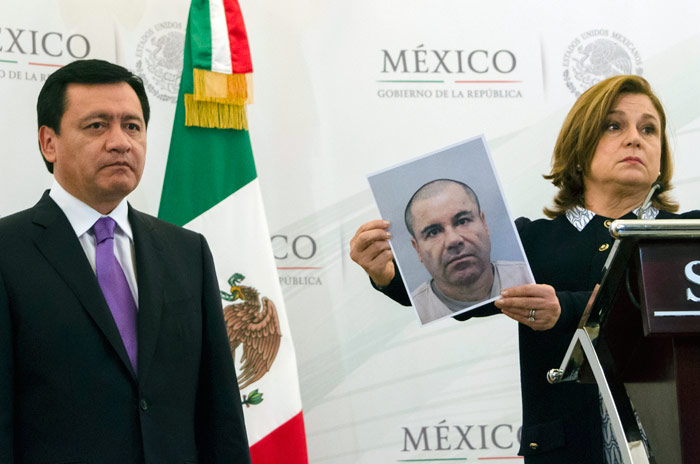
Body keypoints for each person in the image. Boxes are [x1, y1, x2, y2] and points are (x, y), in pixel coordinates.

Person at [349, 74, 700, 463]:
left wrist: (564, 308)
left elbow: (651, 302)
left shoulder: (689, 236)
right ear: (579, 148)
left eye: (649, 129)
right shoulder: (530, 243)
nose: (635, 137)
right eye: (614, 125)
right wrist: (387, 275)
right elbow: (460, 292)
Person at [0, 60, 251, 463]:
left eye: (132, 126)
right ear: (49, 142)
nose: (120, 142)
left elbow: (219, 412)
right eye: (97, 125)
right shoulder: (7, 251)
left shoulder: (189, 252)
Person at [404, 179, 530, 323]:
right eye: (434, 232)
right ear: (417, 249)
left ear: (484, 224)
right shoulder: (415, 314)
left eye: (462, 221)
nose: (453, 240)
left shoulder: (527, 278)